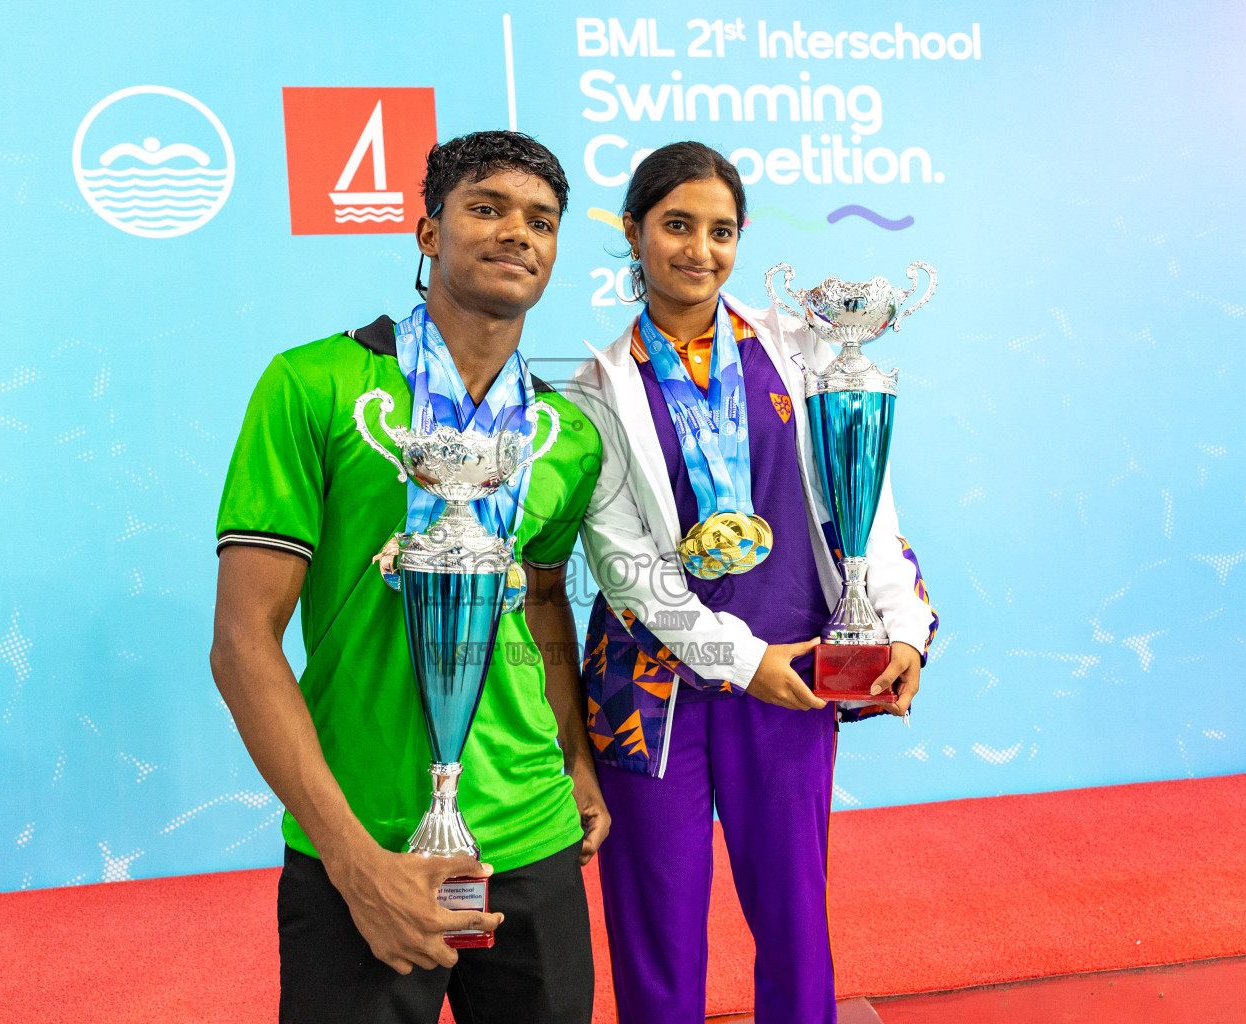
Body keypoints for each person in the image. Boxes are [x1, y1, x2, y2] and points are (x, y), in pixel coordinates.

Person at [210, 131, 608, 1024]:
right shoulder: (315, 384)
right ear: (427, 233)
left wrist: (577, 759)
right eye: (488, 208)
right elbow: (241, 644)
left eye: (542, 221)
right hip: (365, 843)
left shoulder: (566, 434)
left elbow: (542, 604)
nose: (518, 233)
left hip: (533, 836)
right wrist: (353, 863)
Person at [568, 142, 939, 1024]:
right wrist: (742, 660)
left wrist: (903, 629)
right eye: (677, 226)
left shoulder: (802, 349)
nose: (701, 249)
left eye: (721, 230)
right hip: (651, 689)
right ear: (634, 232)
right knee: (655, 924)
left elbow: (866, 507)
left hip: (798, 673)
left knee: (794, 916)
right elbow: (626, 569)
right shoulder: (595, 390)